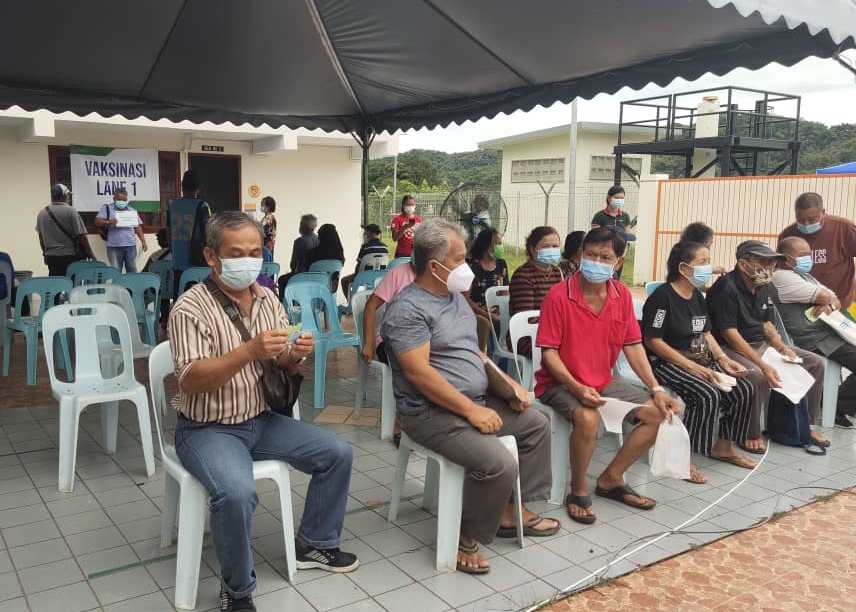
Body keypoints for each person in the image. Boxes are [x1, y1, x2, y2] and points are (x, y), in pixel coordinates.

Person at [168, 211, 358, 611]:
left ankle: (315, 542)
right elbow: (190, 380)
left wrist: (295, 355)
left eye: (255, 252)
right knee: (236, 494)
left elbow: (279, 362)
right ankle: (237, 591)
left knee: (337, 453)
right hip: (207, 429)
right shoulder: (190, 308)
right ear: (212, 256)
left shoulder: (268, 298)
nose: (248, 260)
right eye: (236, 253)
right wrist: (248, 351)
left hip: (261, 419)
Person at [381, 218, 557, 574]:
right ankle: (466, 535)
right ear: (435, 267)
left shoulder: (454, 299)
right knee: (498, 462)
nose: (467, 267)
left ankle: (510, 508)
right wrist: (471, 411)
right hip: (429, 413)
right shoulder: (407, 309)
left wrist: (508, 387)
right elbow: (419, 373)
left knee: (536, 424)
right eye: (459, 259)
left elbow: (475, 354)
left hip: (474, 400)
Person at [536, 227, 680, 524]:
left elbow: (633, 345)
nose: (596, 262)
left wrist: (655, 389)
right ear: (580, 255)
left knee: (660, 413)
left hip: (603, 381)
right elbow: (549, 354)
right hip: (559, 383)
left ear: (618, 261)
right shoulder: (558, 296)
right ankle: (577, 490)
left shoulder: (621, 295)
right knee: (588, 418)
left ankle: (611, 478)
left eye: (605, 257)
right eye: (591, 255)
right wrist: (576, 387)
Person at [642, 241, 756, 484]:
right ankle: (684, 456)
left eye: (708, 261)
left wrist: (723, 359)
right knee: (706, 394)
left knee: (744, 388)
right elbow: (653, 341)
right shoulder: (662, 298)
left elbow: (706, 333)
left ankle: (724, 447)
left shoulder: (697, 296)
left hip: (699, 359)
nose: (709, 267)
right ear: (684, 268)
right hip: (666, 362)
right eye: (703, 262)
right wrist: (693, 367)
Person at [707, 240, 828, 454]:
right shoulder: (725, 287)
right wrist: (763, 364)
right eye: (763, 261)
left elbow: (768, 326)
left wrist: (782, 348)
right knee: (758, 375)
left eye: (772, 262)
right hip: (728, 347)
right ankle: (750, 433)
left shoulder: (762, 286)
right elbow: (730, 334)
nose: (770, 267)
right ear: (744, 264)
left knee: (815, 363)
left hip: (760, 344)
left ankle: (805, 425)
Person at [773, 236, 856, 428]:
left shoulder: (804, 276)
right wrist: (827, 301)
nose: (808, 259)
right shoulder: (782, 277)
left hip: (828, 335)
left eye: (809, 254)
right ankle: (833, 405)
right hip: (814, 340)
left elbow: (834, 298)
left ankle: (838, 403)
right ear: (786, 259)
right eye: (803, 255)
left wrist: (830, 304)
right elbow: (825, 295)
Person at [779, 192, 856, 308]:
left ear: (823, 212)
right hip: (802, 305)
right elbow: (782, 270)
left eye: (812, 219)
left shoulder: (843, 228)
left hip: (839, 304)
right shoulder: (787, 235)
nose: (806, 224)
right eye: (800, 219)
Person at [509, 226, 563, 355]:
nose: (551, 250)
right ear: (533, 249)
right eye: (546, 246)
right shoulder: (523, 276)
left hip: (552, 332)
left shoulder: (557, 272)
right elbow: (528, 318)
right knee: (566, 351)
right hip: (526, 336)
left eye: (555, 246)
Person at [36, 183, 95, 275]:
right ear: (64, 195)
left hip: (51, 257)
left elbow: (41, 238)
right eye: (68, 195)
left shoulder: (42, 213)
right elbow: (81, 235)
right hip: (70, 256)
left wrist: (45, 254)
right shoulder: (71, 211)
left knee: (56, 282)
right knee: (71, 281)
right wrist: (90, 253)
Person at [167, 170, 212, 275]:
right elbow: (209, 233)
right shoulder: (203, 206)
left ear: (182, 187)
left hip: (177, 261)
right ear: (198, 188)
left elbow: (168, 233)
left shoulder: (172, 205)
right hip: (197, 263)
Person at [94, 187, 148, 273]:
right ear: (114, 198)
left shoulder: (132, 210)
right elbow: (97, 222)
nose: (122, 202)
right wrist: (109, 222)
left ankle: (131, 282)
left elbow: (137, 227)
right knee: (115, 271)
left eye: (124, 200)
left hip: (130, 246)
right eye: (119, 199)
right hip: (114, 247)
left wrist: (143, 241)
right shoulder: (107, 208)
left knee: (132, 269)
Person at [340, 223, 389, 298]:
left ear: (370, 233)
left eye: (365, 232)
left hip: (364, 276)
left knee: (344, 281)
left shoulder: (365, 247)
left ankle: (351, 302)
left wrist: (356, 276)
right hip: (380, 277)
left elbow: (359, 265)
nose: (364, 234)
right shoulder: (385, 248)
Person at [308, 223, 346, 293]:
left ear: (320, 237)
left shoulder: (312, 254)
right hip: (331, 291)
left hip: (313, 290)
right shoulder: (339, 256)